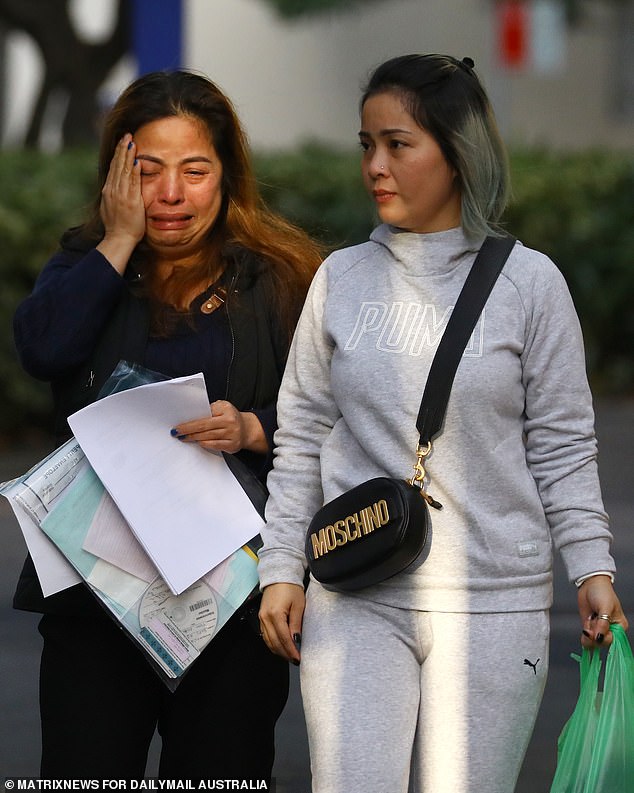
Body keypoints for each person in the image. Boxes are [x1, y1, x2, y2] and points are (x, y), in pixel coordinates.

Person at [257, 54, 629, 793]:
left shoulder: (531, 283)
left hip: (493, 601)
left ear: (457, 155)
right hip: (357, 591)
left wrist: (592, 567)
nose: (376, 166)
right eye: (367, 145)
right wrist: (279, 569)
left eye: (399, 144)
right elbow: (300, 436)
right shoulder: (341, 278)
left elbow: (561, 444)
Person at [13, 69, 321, 781]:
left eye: (195, 170)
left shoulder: (279, 279)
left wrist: (252, 426)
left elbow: (332, 414)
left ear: (228, 175)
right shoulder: (85, 267)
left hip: (231, 603)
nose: (172, 194)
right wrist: (116, 243)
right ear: (116, 175)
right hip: (99, 590)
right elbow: (42, 349)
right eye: (148, 171)